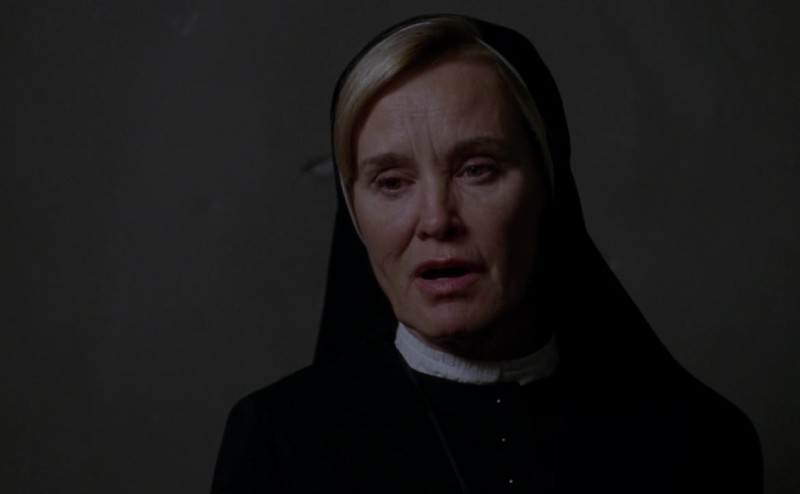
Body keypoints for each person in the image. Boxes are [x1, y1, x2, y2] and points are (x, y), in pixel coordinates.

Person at [211, 14, 762, 493]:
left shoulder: (703, 441)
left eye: (477, 169)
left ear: (547, 185)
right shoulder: (280, 443)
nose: (436, 220)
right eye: (392, 182)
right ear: (353, 211)